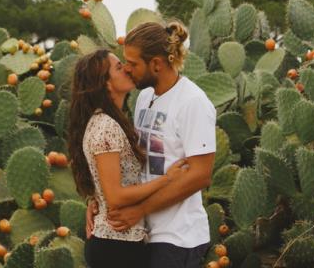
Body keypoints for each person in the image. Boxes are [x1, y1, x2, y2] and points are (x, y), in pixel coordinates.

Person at [91, 21, 218, 268]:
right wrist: (97, 199)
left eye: (133, 63)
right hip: (143, 232)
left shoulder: (193, 102)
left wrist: (140, 210)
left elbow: (200, 176)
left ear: (156, 64)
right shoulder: (144, 97)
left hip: (178, 237)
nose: (127, 69)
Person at [66, 48, 190, 268]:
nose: (126, 69)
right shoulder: (106, 126)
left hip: (118, 242)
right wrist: (167, 179)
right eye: (118, 67)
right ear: (105, 83)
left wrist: (96, 200)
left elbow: (108, 187)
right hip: (116, 247)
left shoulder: (109, 122)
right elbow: (115, 196)